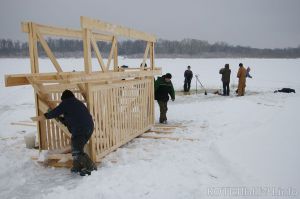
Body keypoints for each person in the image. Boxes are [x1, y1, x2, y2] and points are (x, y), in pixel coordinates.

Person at [34, 90, 97, 174]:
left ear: (64, 98)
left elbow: (55, 112)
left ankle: (91, 167)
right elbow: (72, 119)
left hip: (80, 130)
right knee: (76, 148)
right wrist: (62, 119)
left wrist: (46, 115)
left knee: (77, 151)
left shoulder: (66, 102)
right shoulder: (77, 103)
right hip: (89, 127)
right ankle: (77, 167)